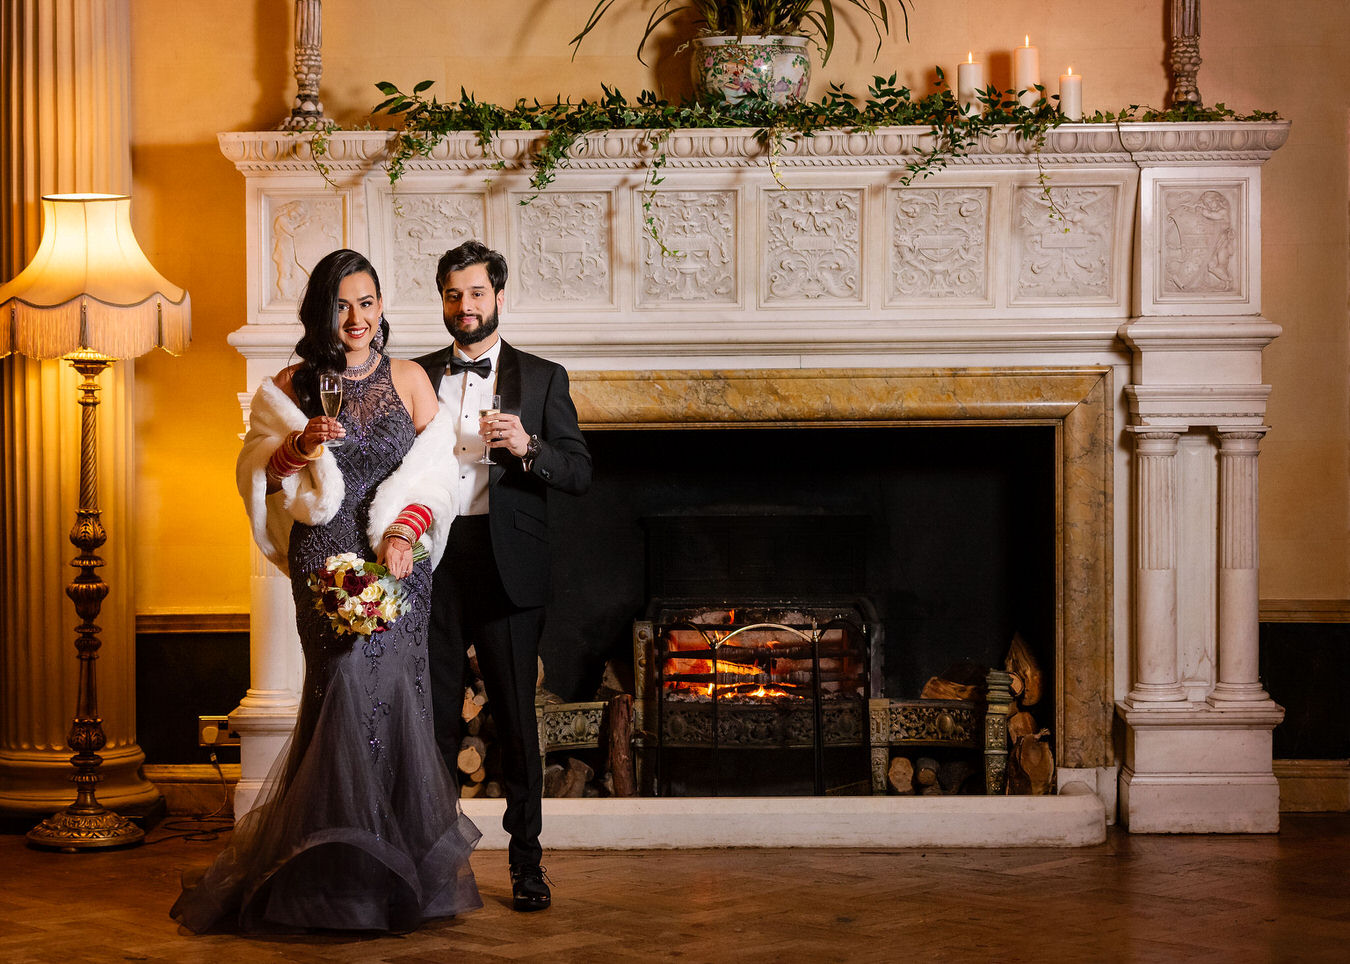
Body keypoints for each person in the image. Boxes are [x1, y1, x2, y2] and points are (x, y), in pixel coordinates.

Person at [171, 249, 481, 933]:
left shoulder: (410, 379)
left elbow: (439, 474)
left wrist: (407, 529)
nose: (356, 318)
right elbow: (256, 470)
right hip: (326, 559)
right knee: (341, 687)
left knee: (397, 696)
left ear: (381, 308)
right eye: (342, 305)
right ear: (323, 311)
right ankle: (333, 883)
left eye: (367, 303)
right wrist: (298, 448)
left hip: (398, 554)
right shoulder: (289, 386)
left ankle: (393, 876)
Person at [416, 240, 592, 912]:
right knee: (433, 723)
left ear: (498, 295)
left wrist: (529, 447)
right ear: (443, 300)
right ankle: (436, 864)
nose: (465, 306)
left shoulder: (544, 378)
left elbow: (579, 473)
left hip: (509, 564)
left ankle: (527, 865)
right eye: (454, 295)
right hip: (432, 563)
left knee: (518, 723)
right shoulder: (413, 374)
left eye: (477, 293)